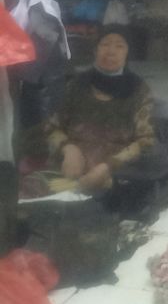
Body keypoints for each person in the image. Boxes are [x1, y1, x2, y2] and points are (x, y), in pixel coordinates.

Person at [46, 23, 155, 193]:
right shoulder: (76, 85)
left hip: (113, 180)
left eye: (119, 46)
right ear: (95, 50)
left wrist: (108, 167)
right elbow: (52, 128)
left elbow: (145, 142)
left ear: (127, 53)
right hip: (66, 176)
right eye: (105, 44)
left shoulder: (138, 90)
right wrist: (69, 149)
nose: (111, 51)